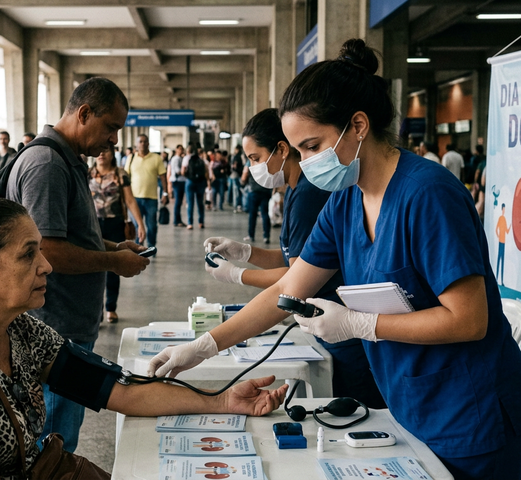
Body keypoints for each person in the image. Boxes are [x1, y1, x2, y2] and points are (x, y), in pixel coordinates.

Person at [150, 39, 521, 480]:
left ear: (358, 125)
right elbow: (289, 289)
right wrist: (205, 346)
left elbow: (469, 320)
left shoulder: (428, 194)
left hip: (472, 416)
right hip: (410, 406)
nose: (305, 164)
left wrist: (361, 325)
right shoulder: (345, 203)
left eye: (311, 146)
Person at [0, 197, 289, 479]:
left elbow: (119, 391)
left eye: (40, 250)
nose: (45, 266)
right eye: (28, 255)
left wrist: (221, 400)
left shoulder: (18, 328)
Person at [4, 77, 151, 453]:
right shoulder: (46, 165)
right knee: (52, 444)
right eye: (111, 128)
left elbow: (71, 235)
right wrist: (113, 262)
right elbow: (49, 251)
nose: (115, 140)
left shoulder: (66, 161)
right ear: (84, 114)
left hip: (68, 326)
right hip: (54, 330)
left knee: (60, 436)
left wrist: (116, 246)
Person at [202, 109, 384, 408]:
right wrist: (246, 253)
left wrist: (237, 274)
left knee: (357, 407)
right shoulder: (296, 191)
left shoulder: (311, 195)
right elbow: (297, 259)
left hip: (341, 327)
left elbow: (297, 276)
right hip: (327, 324)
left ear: (281, 149)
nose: (253, 167)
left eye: (255, 158)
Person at [89, 144, 146, 323]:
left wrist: (140, 224)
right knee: (94, 268)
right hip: (93, 224)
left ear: (112, 153)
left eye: (105, 150)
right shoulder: (87, 173)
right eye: (99, 151)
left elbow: (129, 199)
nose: (101, 154)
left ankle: (110, 308)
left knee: (114, 265)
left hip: (115, 223)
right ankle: (96, 310)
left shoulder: (121, 174)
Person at [125, 134, 169, 248]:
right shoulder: (131, 158)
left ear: (148, 143)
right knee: (136, 225)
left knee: (152, 225)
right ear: (136, 144)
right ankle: (138, 246)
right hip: (134, 199)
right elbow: (126, 178)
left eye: (145, 141)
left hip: (151, 199)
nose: (143, 144)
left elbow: (163, 177)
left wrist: (165, 193)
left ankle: (151, 245)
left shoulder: (156, 158)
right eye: (140, 141)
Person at [240, 155, 272, 243]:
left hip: (254, 191)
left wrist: (243, 182)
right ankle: (266, 236)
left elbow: (244, 175)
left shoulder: (250, 161)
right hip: (265, 190)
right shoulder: (266, 160)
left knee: (252, 215)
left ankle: (251, 235)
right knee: (265, 214)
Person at [182, 144, 207, 230]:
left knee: (190, 203)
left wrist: (188, 176)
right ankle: (201, 222)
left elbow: (182, 171)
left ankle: (190, 223)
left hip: (190, 182)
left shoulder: (186, 158)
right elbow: (206, 171)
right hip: (200, 182)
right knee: (200, 203)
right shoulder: (201, 159)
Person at [168, 145, 187, 227]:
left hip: (180, 181)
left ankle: (178, 219)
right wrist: (185, 171)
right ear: (176, 150)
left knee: (178, 202)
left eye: (182, 149)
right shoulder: (176, 159)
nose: (181, 150)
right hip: (178, 181)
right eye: (179, 149)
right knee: (178, 202)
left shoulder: (180, 158)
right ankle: (176, 220)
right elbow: (177, 171)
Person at [228, 145, 244, 212]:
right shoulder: (241, 156)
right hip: (240, 175)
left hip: (235, 175)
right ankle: (239, 205)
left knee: (236, 192)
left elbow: (234, 166)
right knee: (239, 191)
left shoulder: (236, 156)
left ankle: (236, 205)